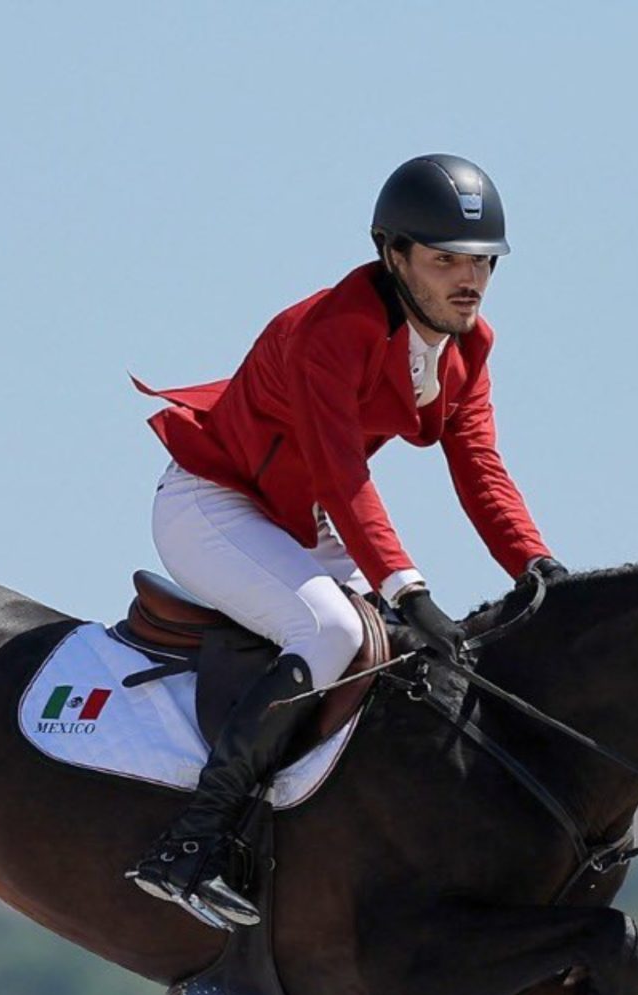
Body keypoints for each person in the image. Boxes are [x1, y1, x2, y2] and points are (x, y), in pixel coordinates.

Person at [127, 152, 568, 930]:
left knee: (397, 652)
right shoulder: (336, 330)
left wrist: (537, 565)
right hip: (213, 498)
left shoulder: (470, 346)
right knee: (331, 628)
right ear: (393, 255)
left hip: (300, 512)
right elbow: (341, 475)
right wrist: (409, 587)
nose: (469, 281)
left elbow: (481, 468)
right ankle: (191, 845)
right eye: (445, 261)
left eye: (483, 263)